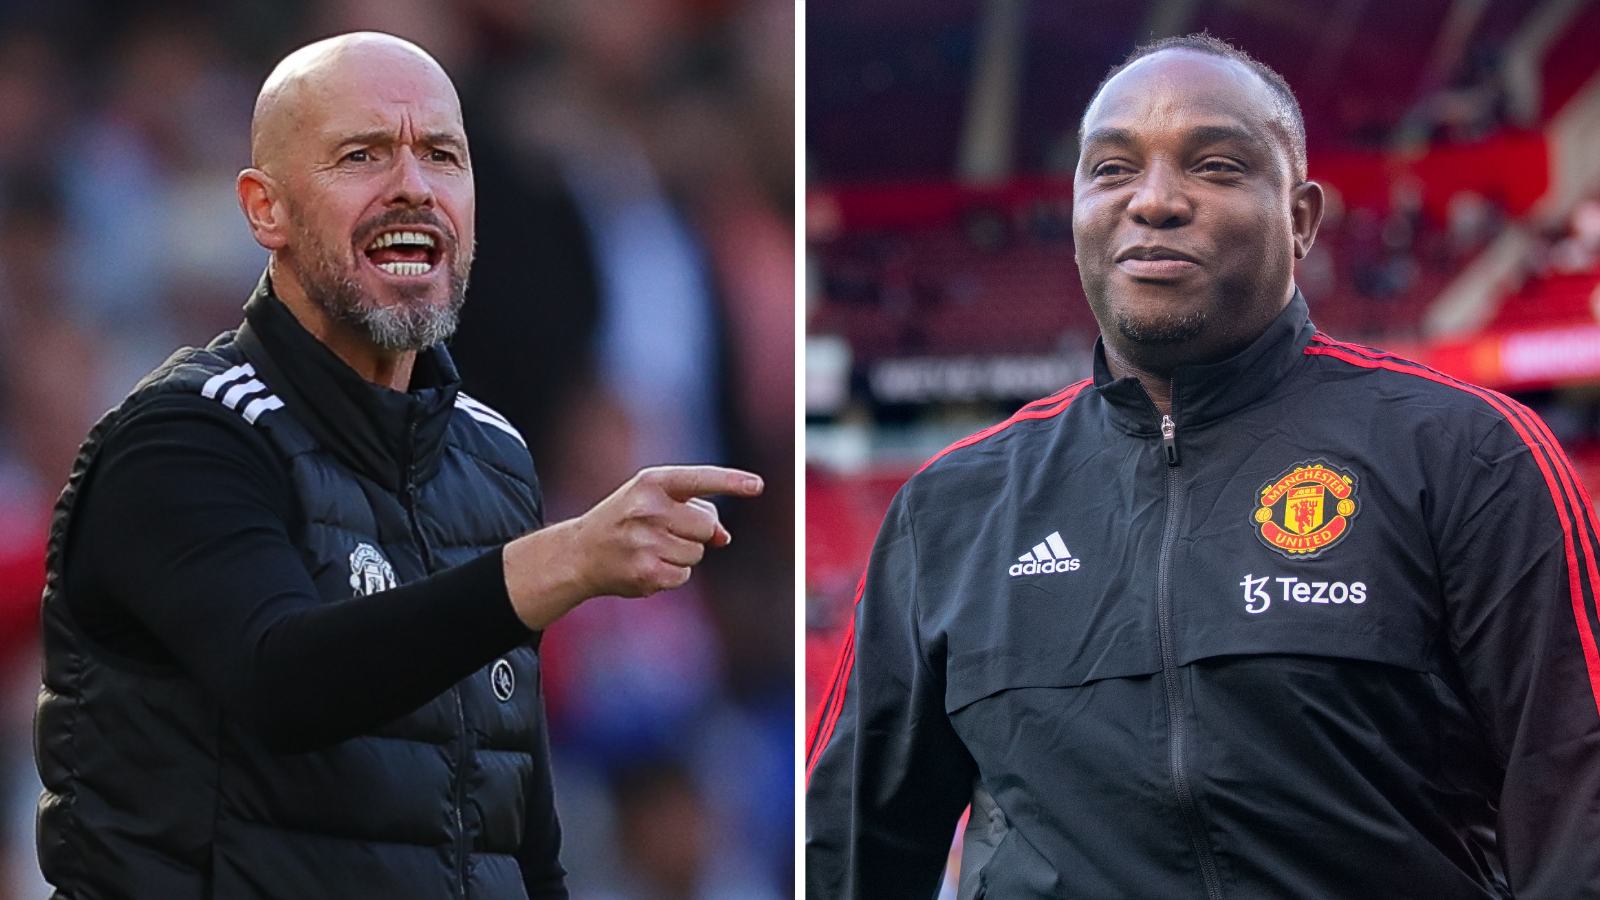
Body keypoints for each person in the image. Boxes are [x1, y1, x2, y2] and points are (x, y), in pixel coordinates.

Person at [805, 33, 1600, 899]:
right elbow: (847, 852)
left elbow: (1578, 810)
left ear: (1300, 218)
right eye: (1110, 169)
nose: (1153, 200)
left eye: (1216, 165)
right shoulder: (948, 512)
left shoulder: (1472, 456)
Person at [34, 32, 762, 900]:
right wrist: (553, 564)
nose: (412, 185)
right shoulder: (182, 437)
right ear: (266, 209)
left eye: (442, 156)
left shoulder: (493, 461)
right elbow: (281, 679)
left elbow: (517, 837)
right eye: (362, 155)